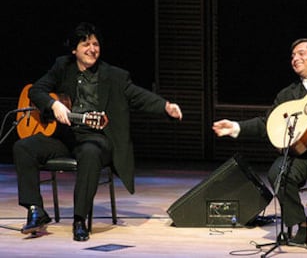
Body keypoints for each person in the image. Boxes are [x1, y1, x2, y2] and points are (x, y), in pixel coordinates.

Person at [13, 22, 183, 241]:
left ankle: (79, 219)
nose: (92, 48)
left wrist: (165, 107)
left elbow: (138, 96)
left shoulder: (114, 75)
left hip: (97, 139)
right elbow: (36, 90)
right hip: (65, 137)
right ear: (74, 50)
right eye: (86, 44)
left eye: (95, 44)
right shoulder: (62, 66)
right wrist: (53, 105)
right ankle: (36, 210)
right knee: (24, 147)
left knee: (91, 152)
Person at [212, 38, 307, 244]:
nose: (295, 58)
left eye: (301, 53)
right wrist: (236, 127)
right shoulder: (288, 94)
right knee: (277, 173)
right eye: (292, 56)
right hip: (303, 153)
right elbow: (268, 123)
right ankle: (302, 225)